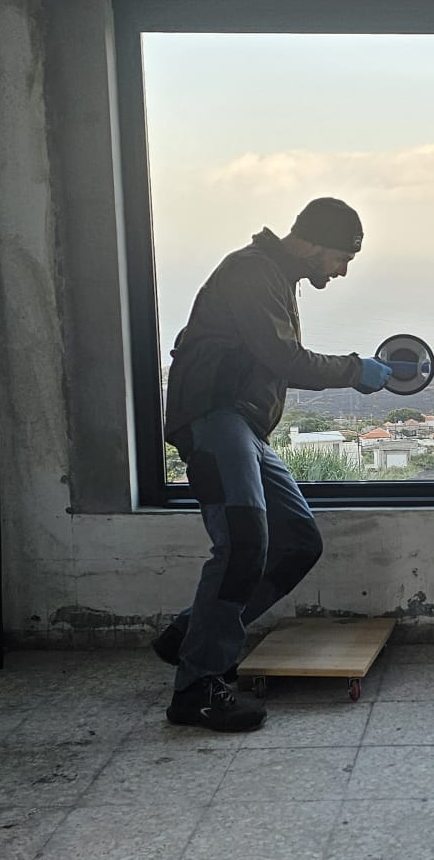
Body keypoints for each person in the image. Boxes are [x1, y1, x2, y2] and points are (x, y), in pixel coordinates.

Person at [155, 198, 395, 732]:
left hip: (243, 429)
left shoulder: (277, 276)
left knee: (297, 543)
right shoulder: (251, 272)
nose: (343, 269)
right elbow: (285, 360)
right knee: (241, 544)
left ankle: (190, 637)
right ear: (311, 243)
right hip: (215, 421)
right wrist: (357, 370)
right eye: (341, 257)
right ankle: (196, 688)